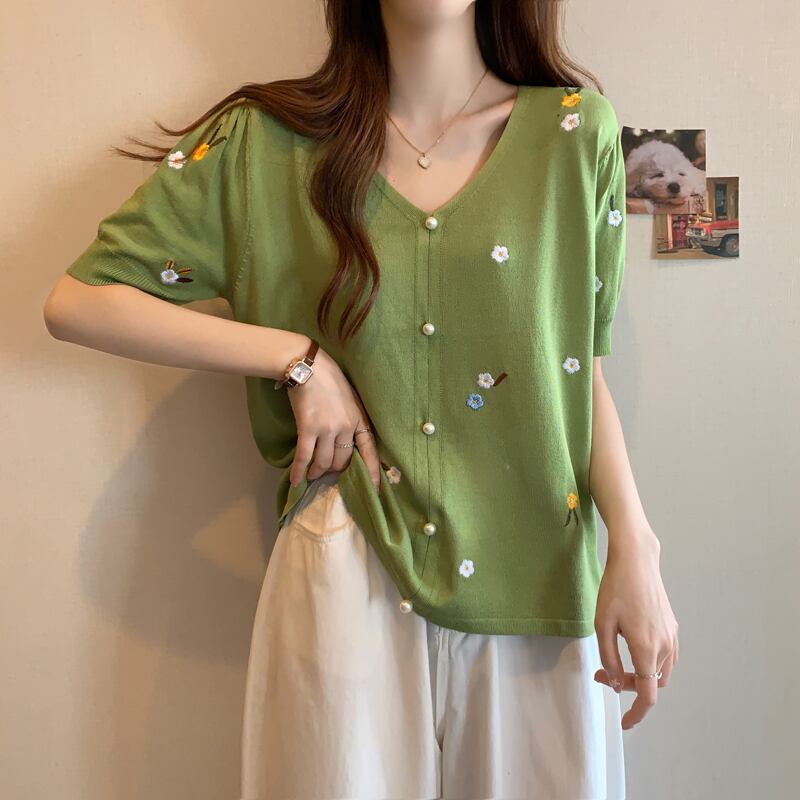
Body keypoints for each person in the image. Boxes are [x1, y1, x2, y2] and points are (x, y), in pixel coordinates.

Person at [43, 1, 679, 797]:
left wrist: (636, 548)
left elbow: (576, 370)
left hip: (540, 571)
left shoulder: (576, 135)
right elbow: (80, 300)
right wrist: (298, 361)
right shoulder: (262, 144)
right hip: (348, 562)